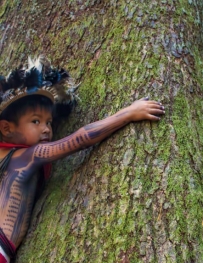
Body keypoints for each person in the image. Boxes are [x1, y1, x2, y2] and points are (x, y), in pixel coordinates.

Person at [0, 56, 165, 263]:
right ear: (6, 128)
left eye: (49, 123)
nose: (46, 129)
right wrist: (128, 113)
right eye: (36, 121)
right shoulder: (27, 155)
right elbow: (79, 139)